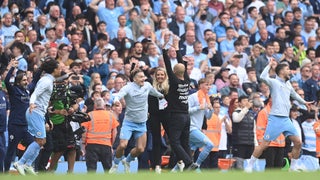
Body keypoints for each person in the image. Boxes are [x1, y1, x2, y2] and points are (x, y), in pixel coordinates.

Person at [245, 59, 313, 172]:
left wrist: (304, 102)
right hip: (275, 119)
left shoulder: (288, 84)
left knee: (298, 142)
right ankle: (250, 165)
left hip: (286, 119)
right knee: (264, 145)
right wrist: (269, 65)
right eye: (287, 69)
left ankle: (293, 167)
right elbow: (262, 76)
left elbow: (294, 94)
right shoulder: (274, 82)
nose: (289, 71)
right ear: (281, 71)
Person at [109, 69, 164, 173]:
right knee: (123, 145)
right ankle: (115, 164)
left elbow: (154, 93)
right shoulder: (128, 88)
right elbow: (118, 95)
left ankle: (127, 160)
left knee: (140, 149)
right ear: (134, 79)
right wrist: (116, 101)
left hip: (142, 123)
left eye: (143, 76)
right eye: (140, 77)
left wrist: (162, 96)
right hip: (129, 122)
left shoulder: (147, 85)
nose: (143, 78)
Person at [13, 58, 61, 176]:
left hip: (39, 112)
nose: (61, 69)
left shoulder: (49, 80)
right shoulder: (46, 81)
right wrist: (31, 104)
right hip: (35, 112)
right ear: (54, 69)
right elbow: (35, 93)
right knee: (40, 140)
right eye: (59, 67)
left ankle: (28, 164)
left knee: (41, 141)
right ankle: (21, 163)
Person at [162, 37, 198, 171]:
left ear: (174, 72)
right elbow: (182, 64)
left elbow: (167, 64)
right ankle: (191, 164)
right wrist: (177, 49)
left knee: (175, 142)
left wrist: (164, 49)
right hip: (186, 116)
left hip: (176, 116)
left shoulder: (175, 81)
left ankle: (188, 162)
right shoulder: (187, 81)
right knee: (185, 142)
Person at [3, 60, 42, 172]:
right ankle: (5, 173)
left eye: (26, 80)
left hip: (26, 126)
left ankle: (29, 167)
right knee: (11, 150)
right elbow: (6, 81)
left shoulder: (28, 91)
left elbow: (34, 81)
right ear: (18, 82)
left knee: (34, 146)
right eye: (24, 80)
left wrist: (40, 69)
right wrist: (12, 68)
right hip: (15, 125)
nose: (26, 82)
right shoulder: (13, 90)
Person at [82, 97, 119, 172]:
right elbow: (115, 132)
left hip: (91, 145)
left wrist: (83, 144)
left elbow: (84, 131)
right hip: (106, 145)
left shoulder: (89, 115)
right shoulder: (111, 116)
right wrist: (111, 144)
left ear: (94, 106)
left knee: (91, 170)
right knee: (108, 170)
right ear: (104, 106)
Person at [148, 67, 170, 174]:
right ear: (155, 76)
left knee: (173, 139)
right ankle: (156, 165)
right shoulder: (150, 87)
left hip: (166, 115)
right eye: (158, 75)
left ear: (165, 76)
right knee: (156, 141)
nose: (160, 77)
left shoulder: (168, 87)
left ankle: (178, 162)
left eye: (162, 75)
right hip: (154, 116)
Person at [0, 82, 9, 173]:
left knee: (3, 151)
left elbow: (7, 107)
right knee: (2, 151)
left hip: (2, 129)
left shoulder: (2, 94)